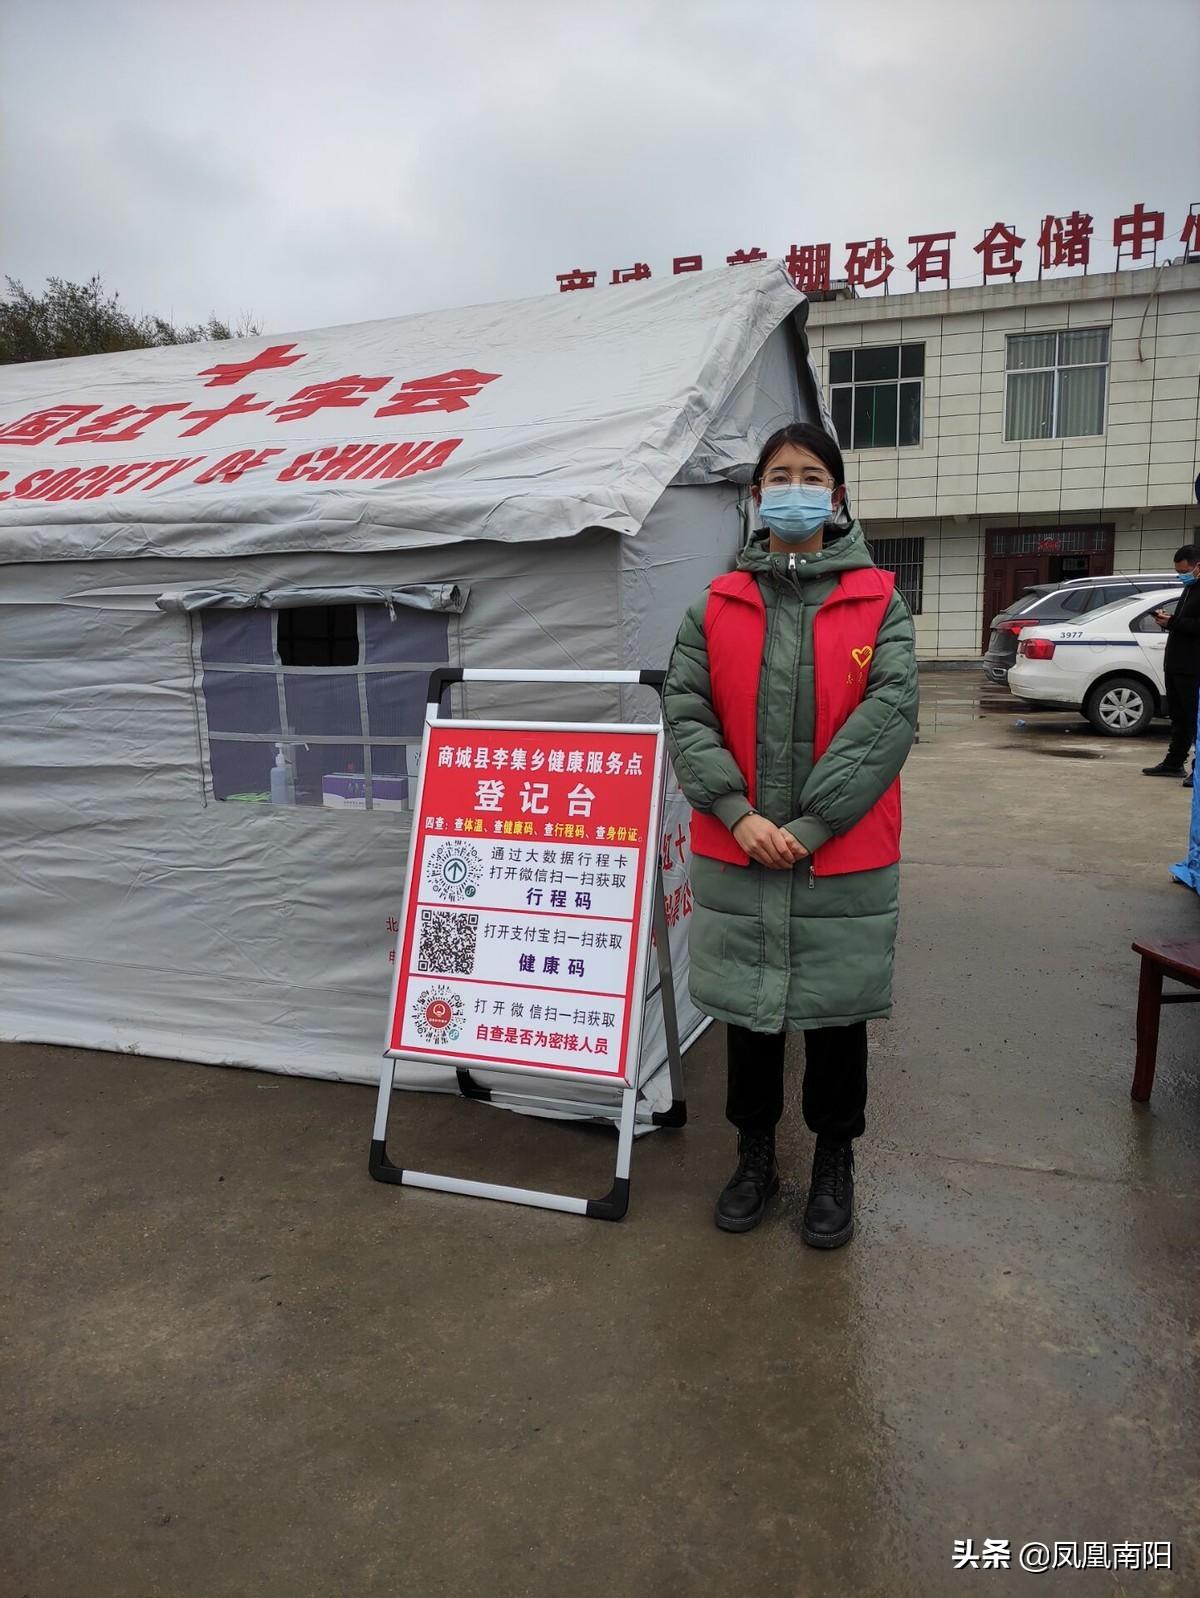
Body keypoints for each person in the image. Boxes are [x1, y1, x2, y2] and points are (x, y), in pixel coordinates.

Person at [662, 423, 918, 1248]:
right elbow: (686, 713)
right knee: (750, 1017)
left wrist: (808, 825)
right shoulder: (714, 606)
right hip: (738, 845)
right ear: (755, 495)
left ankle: (834, 1161)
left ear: (837, 497)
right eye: (779, 476)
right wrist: (738, 812)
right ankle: (754, 1156)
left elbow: (888, 719)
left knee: (836, 1017)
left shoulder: (879, 601)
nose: (794, 489)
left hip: (839, 853)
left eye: (812, 476)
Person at [1143, 544, 1200, 787]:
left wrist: (1173, 622)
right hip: (1176, 664)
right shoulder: (1190, 588)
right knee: (1179, 717)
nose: (1181, 576)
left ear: (1198, 566)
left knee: (1194, 718)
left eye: (1184, 571)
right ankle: (1174, 762)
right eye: (1178, 572)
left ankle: (1197, 771)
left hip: (1193, 667)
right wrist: (1167, 621)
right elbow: (1185, 623)